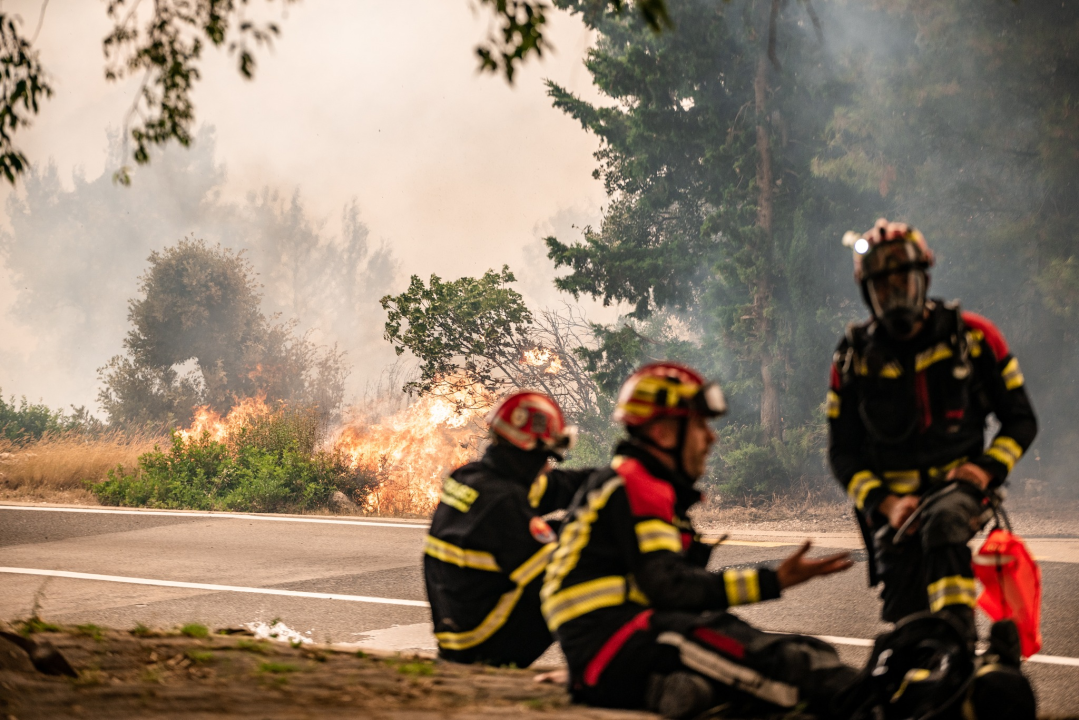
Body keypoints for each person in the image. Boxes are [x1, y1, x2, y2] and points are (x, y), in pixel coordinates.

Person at [541, 362, 858, 719]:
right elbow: (671, 587)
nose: (712, 438)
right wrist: (774, 580)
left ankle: (672, 689)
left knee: (786, 658)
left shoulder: (634, 482)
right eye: (700, 424)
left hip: (616, 642)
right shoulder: (639, 484)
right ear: (663, 433)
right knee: (790, 666)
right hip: (620, 641)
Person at [827, 218, 1038, 646]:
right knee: (905, 620)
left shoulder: (973, 338)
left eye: (902, 279)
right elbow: (842, 455)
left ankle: (958, 641)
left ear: (924, 277)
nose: (894, 293)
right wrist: (885, 504)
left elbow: (1021, 420)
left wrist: (985, 470)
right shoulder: (853, 358)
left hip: (957, 491)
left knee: (942, 524)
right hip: (894, 511)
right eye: (882, 286)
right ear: (867, 291)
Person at [423, 390, 592, 667]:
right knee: (578, 557)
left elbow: (558, 487)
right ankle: (595, 668)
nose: (547, 467)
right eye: (547, 456)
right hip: (483, 646)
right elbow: (556, 579)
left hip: (456, 635)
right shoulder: (504, 503)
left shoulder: (470, 477)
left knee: (562, 530)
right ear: (533, 453)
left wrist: (615, 479)